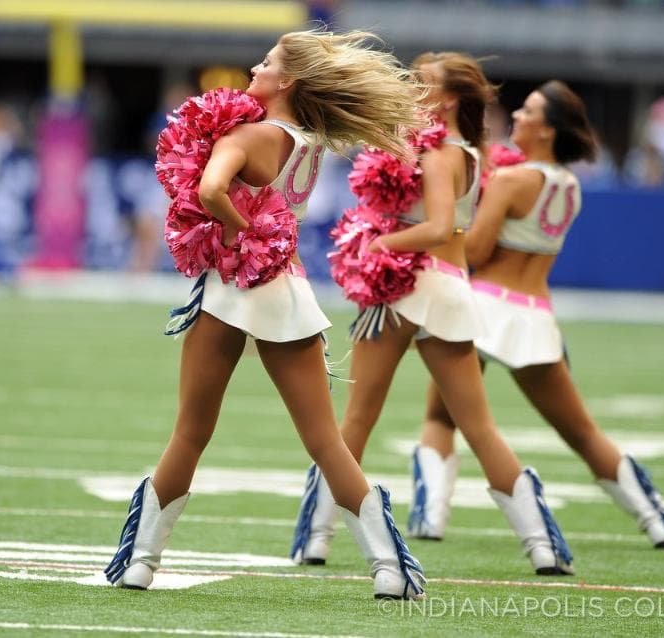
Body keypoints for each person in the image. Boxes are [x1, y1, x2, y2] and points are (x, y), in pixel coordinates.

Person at [104, 30, 430, 600]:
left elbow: (208, 189)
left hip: (231, 292)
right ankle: (391, 568)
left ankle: (141, 562)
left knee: (190, 432)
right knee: (326, 441)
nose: (255, 67)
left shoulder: (251, 134)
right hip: (286, 293)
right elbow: (281, 218)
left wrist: (238, 228)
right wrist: (266, 239)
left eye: (268, 62)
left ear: (288, 82)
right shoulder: (308, 144)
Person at [291, 52, 575, 576]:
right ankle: (543, 544)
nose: (413, 88)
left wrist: (380, 242)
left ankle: (315, 535)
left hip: (406, 284)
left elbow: (441, 226)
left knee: (354, 419)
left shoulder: (442, 152)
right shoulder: (468, 151)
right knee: (479, 426)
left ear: (447, 100)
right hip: (449, 290)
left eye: (422, 83)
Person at [415, 81, 664, 549]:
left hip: (485, 308)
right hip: (536, 317)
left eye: (530, 110)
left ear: (548, 130)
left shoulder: (511, 180)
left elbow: (475, 249)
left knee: (442, 418)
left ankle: (430, 519)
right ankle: (657, 518)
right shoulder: (570, 185)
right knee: (581, 431)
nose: (517, 115)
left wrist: (452, 214)